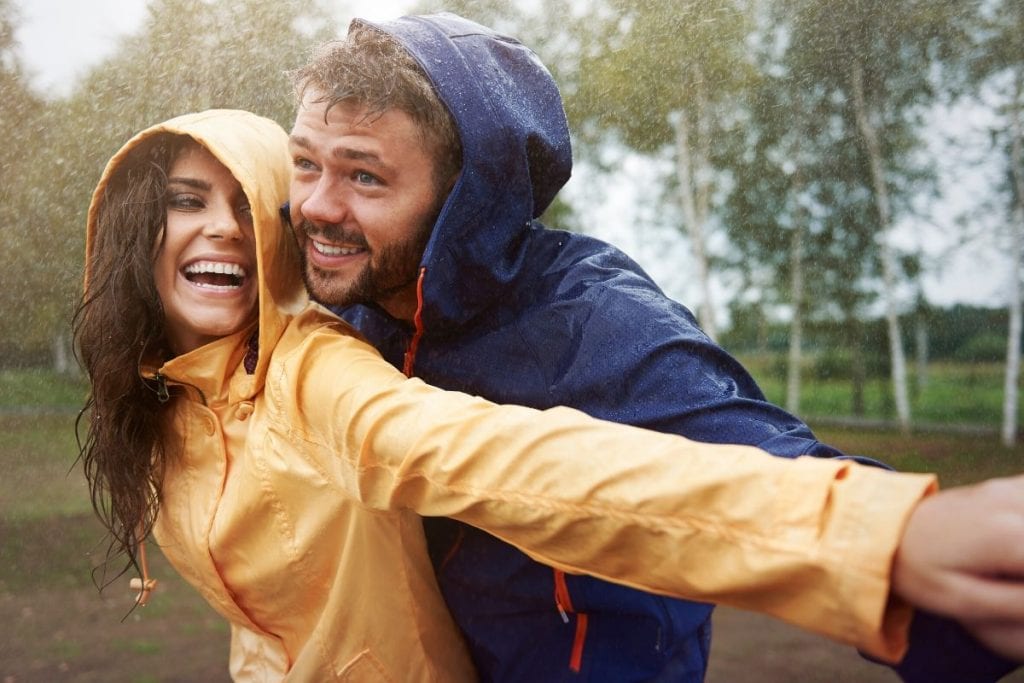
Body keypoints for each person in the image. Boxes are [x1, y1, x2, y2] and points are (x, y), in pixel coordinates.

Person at [76, 108, 1024, 682]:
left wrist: (873, 532)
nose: (224, 231)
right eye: (186, 200)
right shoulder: (157, 398)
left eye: (246, 200)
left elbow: (528, 466)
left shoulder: (316, 375)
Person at [286, 13, 1024, 682]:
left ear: (464, 197)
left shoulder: (590, 318)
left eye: (363, 175)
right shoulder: (353, 309)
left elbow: (758, 461)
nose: (318, 204)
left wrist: (905, 543)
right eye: (306, 163)